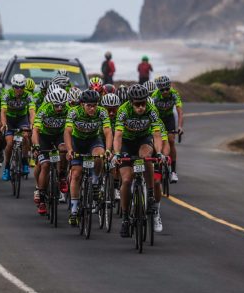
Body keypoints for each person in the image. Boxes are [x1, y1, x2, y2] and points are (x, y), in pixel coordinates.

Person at [112, 84, 164, 237]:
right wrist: (116, 153)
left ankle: (149, 194)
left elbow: (156, 134)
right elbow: (118, 135)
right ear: (131, 102)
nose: (141, 107)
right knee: (127, 180)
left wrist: (159, 153)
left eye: (143, 103)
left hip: (143, 139)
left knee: (146, 156)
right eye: (137, 104)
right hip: (127, 143)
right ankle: (126, 218)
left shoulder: (152, 110)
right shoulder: (123, 110)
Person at [64, 89, 113, 226]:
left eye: (94, 105)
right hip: (77, 142)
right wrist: (69, 150)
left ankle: (96, 182)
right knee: (76, 174)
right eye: (89, 106)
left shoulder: (102, 112)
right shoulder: (74, 112)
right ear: (82, 105)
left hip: (93, 140)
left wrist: (108, 150)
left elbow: (108, 132)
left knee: (99, 155)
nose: (92, 108)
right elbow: (67, 132)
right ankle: (74, 210)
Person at [31, 87, 69, 215]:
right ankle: (41, 199)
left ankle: (62, 176)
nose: (59, 108)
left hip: (59, 136)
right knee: (45, 165)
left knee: (63, 150)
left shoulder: (68, 110)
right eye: (57, 105)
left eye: (62, 105)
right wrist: (36, 145)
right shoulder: (44, 109)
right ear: (52, 102)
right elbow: (35, 130)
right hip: (44, 137)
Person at [0, 74, 36, 181]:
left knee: (25, 136)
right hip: (10, 120)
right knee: (10, 143)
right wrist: (4, 124)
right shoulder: (6, 95)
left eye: (22, 87)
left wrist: (32, 125)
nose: (19, 90)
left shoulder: (28, 95)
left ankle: (25, 162)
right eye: (16, 87)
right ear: (13, 86)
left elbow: (32, 112)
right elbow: (3, 111)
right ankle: (6, 167)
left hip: (21, 119)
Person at [152, 75, 184, 183]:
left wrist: (179, 127)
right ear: (158, 89)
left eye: (167, 88)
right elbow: (151, 112)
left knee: (171, 140)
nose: (165, 91)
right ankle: (157, 166)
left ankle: (173, 171)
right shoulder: (155, 96)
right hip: (158, 118)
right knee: (158, 141)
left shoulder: (174, 94)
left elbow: (179, 111)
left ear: (169, 87)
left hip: (169, 118)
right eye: (162, 89)